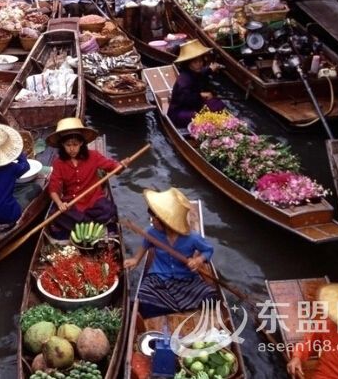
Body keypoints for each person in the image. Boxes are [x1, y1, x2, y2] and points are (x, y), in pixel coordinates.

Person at [123, 188, 217, 318]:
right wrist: (135, 260)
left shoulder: (192, 237)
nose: (152, 220)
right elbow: (143, 248)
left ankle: (169, 308)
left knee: (210, 298)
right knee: (144, 297)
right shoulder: (152, 233)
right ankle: (173, 309)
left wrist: (198, 260)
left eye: (155, 218)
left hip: (185, 279)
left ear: (166, 222)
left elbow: (208, 250)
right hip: (159, 277)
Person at [46, 118, 121, 238]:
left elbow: (112, 167)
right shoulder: (58, 163)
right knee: (55, 214)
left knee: (109, 210)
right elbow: (53, 187)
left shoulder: (93, 156)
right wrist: (60, 203)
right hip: (72, 201)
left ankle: (81, 224)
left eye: (75, 145)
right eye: (68, 145)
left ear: (81, 143)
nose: (72, 149)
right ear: (62, 145)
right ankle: (89, 224)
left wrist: (121, 166)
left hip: (94, 199)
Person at [166, 39, 226, 126]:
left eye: (200, 61)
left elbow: (202, 73)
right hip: (180, 111)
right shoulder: (184, 81)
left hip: (195, 104)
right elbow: (188, 100)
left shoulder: (194, 72)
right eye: (195, 62)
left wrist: (210, 69)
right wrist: (201, 95)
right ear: (188, 64)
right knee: (201, 118)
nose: (199, 64)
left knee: (218, 104)